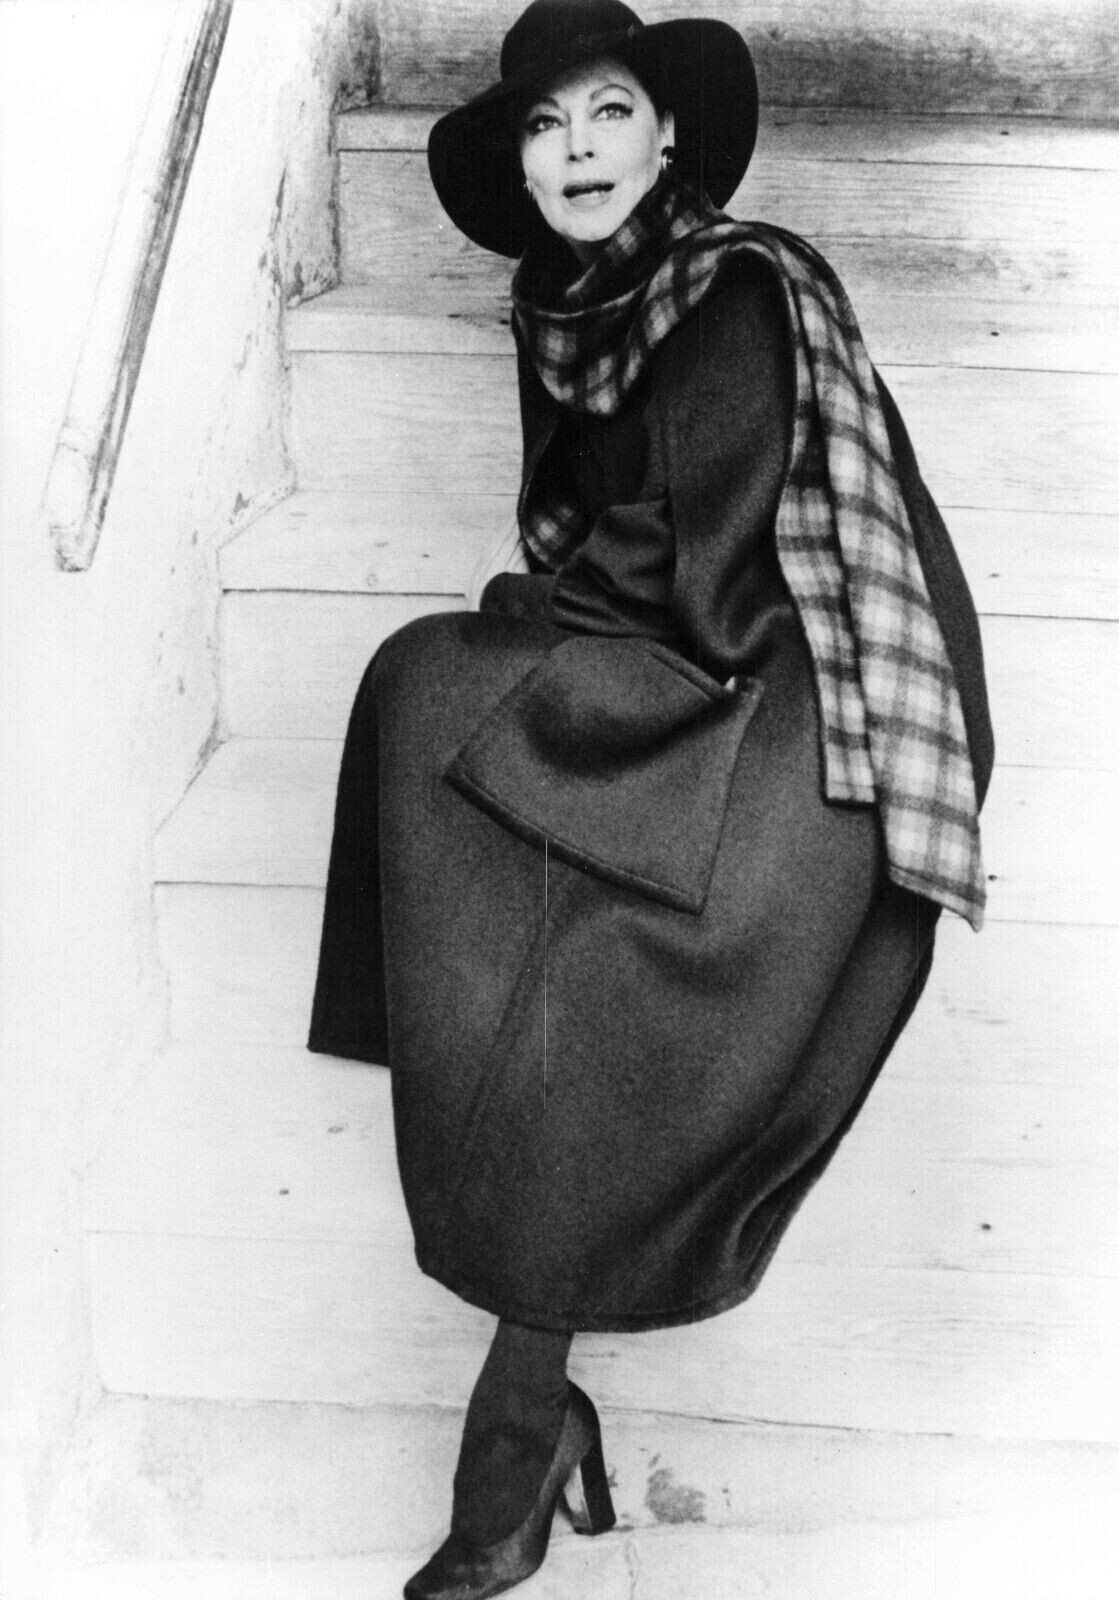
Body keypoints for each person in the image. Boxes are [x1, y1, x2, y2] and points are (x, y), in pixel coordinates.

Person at [306, 2, 995, 1595]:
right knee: (429, 689)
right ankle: (526, 1413)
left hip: (791, 709)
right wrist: (543, 618)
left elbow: (704, 565)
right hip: (687, 666)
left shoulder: (730, 292)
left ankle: (513, 1450)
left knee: (526, 840)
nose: (578, 152)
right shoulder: (579, 304)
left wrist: (539, 620)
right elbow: (607, 552)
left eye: (607, 113)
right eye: (546, 129)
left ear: (666, 134)